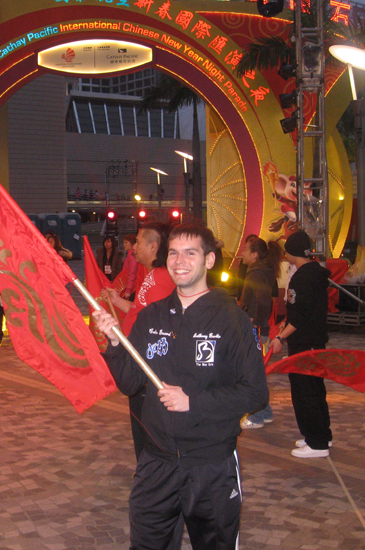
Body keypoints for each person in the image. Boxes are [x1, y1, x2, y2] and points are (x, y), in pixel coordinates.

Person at [93, 223, 268, 550]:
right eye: (173, 252)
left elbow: (255, 393)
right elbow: (130, 383)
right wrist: (115, 344)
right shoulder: (152, 317)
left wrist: (194, 402)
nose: (179, 261)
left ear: (209, 260)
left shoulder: (232, 320)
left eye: (191, 252)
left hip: (211, 465)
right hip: (156, 462)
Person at [104, 222, 175, 462]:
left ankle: (151, 477)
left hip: (147, 369)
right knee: (140, 428)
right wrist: (117, 300)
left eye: (138, 241)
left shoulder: (163, 277)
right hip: (139, 363)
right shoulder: (153, 275)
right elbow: (139, 310)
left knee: (147, 432)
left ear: (153, 246)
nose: (134, 246)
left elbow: (158, 326)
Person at [269, 230, 333, 458]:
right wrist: (284, 325)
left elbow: (300, 315)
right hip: (314, 342)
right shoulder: (315, 273)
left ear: (292, 252)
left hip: (304, 345)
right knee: (315, 390)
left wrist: (280, 337)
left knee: (305, 393)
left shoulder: (301, 277)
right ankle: (320, 436)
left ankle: (317, 443)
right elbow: (301, 311)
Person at [239, 236, 284, 429]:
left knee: (252, 371)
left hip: (255, 328)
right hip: (256, 326)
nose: (243, 253)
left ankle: (258, 414)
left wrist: (257, 323)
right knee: (253, 370)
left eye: (246, 249)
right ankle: (263, 412)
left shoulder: (257, 273)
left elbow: (264, 300)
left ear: (255, 255)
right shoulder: (258, 271)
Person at [119, 233, 139, 300]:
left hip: (132, 287)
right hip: (131, 285)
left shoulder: (132, 256)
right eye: (124, 242)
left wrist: (128, 290)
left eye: (126, 242)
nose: (124, 245)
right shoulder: (129, 255)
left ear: (132, 244)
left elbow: (132, 273)